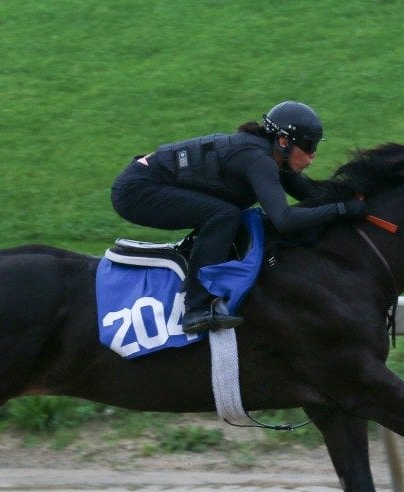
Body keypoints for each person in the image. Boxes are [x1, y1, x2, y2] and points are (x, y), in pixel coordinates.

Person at [110, 101, 366, 334]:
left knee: (224, 213)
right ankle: (195, 309)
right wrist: (341, 210)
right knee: (224, 215)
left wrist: (357, 196)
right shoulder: (258, 160)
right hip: (137, 191)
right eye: (309, 146)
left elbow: (311, 194)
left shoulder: (270, 155)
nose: (313, 155)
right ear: (284, 141)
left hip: (148, 181)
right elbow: (284, 220)